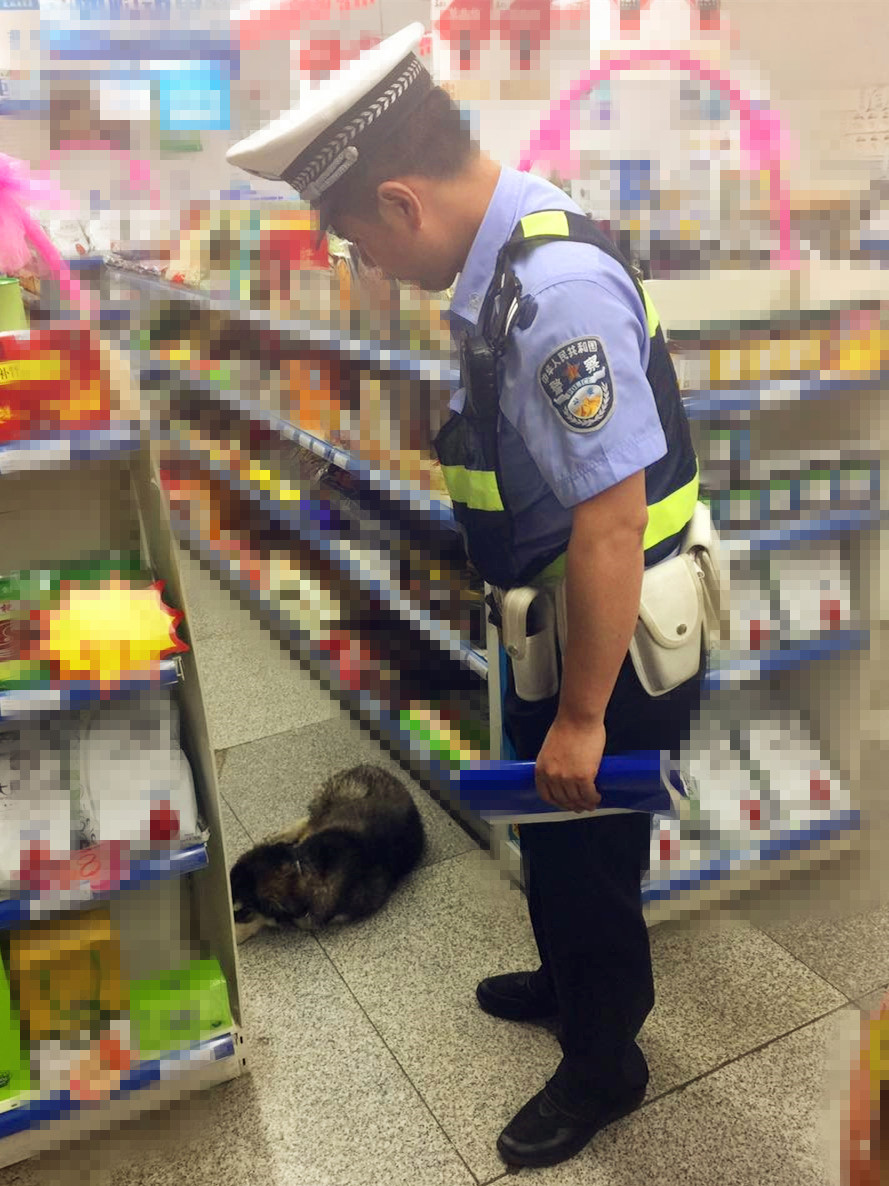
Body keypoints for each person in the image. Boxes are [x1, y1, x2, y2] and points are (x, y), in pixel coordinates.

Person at [227, 23, 706, 1169]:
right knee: (554, 842)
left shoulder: (555, 296)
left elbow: (609, 524)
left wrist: (582, 715)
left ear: (401, 200)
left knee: (589, 859)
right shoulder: (504, 262)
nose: (371, 268)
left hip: (614, 645)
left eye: (360, 243)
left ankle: (605, 1059)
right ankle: (567, 981)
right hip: (556, 624)